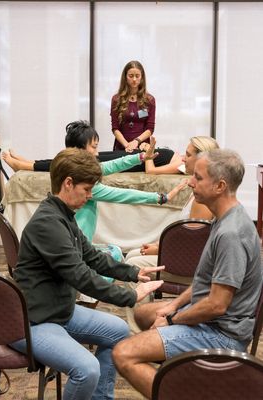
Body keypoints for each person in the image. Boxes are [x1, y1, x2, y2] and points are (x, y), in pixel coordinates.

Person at [10, 147, 164, 400]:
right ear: (68, 183)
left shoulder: (63, 216)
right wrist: (130, 296)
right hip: (33, 321)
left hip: (58, 312)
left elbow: (91, 257)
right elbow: (81, 275)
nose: (90, 196)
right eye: (87, 190)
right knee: (86, 369)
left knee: (118, 331)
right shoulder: (48, 223)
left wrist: (134, 272)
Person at [112, 148, 263, 400]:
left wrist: (172, 320)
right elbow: (206, 282)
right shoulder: (223, 219)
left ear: (220, 186)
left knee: (123, 354)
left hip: (221, 335)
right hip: (210, 319)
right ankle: (182, 375)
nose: (191, 182)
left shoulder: (231, 234)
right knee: (143, 312)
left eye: (198, 177)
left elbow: (216, 305)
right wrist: (174, 306)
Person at [2, 121, 186, 243]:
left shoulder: (71, 167)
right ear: (80, 151)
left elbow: (114, 164)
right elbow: (125, 195)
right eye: (94, 147)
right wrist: (160, 197)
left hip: (75, 241)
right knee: (110, 263)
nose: (97, 153)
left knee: (112, 256)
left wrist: (141, 157)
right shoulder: (84, 184)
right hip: (75, 244)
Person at [124, 135, 219, 333]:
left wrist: (157, 250)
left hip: (190, 269)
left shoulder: (202, 198)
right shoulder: (202, 191)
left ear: (202, 160)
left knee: (132, 265)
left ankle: (139, 332)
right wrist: (157, 248)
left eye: (188, 155)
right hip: (190, 260)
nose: (183, 158)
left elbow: (190, 247)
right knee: (133, 256)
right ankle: (146, 325)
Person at [111, 60, 155, 152]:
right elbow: (115, 128)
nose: (134, 79)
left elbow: (150, 128)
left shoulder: (149, 100)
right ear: (125, 77)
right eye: (131, 76)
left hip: (142, 147)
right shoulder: (116, 99)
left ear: (142, 78)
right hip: (122, 147)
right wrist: (127, 145)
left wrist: (136, 142)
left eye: (137, 76)